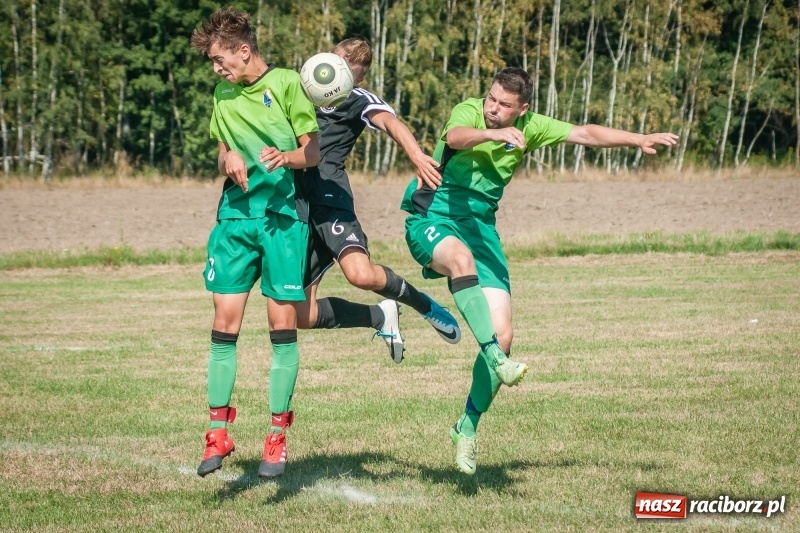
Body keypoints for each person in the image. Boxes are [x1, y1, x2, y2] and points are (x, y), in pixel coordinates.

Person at [401, 67, 679, 475]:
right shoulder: (470, 112)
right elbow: (456, 137)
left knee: (505, 333)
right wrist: (492, 133)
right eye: (491, 99)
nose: (493, 108)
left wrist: (636, 139)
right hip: (434, 213)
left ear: (523, 108)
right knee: (460, 262)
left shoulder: (532, 126)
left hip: (480, 227)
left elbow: (585, 134)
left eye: (504, 105)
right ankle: (494, 358)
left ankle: (466, 427)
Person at [190, 6, 320, 479]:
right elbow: (223, 148)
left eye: (219, 59)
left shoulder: (286, 84)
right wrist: (227, 159)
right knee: (223, 325)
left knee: (281, 327)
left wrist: (286, 156)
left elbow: (313, 152)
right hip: (235, 219)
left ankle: (277, 437)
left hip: (282, 219)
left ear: (244, 51)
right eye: (212, 61)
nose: (216, 68)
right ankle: (217, 432)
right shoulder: (222, 93)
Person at [294, 38, 461, 361]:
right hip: (295, 206)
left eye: (351, 76)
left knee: (360, 275)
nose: (338, 80)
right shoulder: (297, 88)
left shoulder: (358, 99)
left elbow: (390, 123)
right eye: (338, 68)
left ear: (359, 79)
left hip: (329, 200)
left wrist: (415, 155)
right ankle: (380, 315)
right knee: (300, 315)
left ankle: (424, 305)